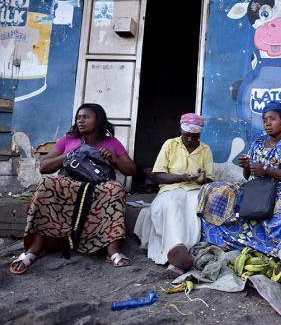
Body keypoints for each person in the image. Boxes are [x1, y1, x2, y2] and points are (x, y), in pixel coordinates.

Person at [9, 103, 137, 275]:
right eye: (78, 117)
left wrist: (115, 159)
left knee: (115, 189)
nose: (80, 121)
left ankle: (112, 250)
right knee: (48, 184)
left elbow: (131, 170)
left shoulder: (111, 143)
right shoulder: (69, 140)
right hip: (68, 185)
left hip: (97, 187)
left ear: (98, 120)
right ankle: (35, 248)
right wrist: (68, 155)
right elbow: (44, 167)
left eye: (86, 117)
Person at [198, 101, 281, 256]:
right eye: (265, 120)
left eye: (272, 119)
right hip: (256, 189)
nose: (267, 123)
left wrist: (267, 170)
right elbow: (249, 177)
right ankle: (223, 240)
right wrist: (247, 166)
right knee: (212, 190)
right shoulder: (258, 144)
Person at [134, 113, 214, 277]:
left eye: (195, 136)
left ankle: (178, 260)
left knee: (193, 207)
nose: (191, 139)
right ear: (181, 130)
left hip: (194, 190)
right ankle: (177, 252)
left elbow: (210, 180)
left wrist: (201, 179)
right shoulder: (170, 145)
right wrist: (181, 177)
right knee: (172, 205)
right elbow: (157, 175)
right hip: (170, 189)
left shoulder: (205, 149)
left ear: (200, 134)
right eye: (187, 135)